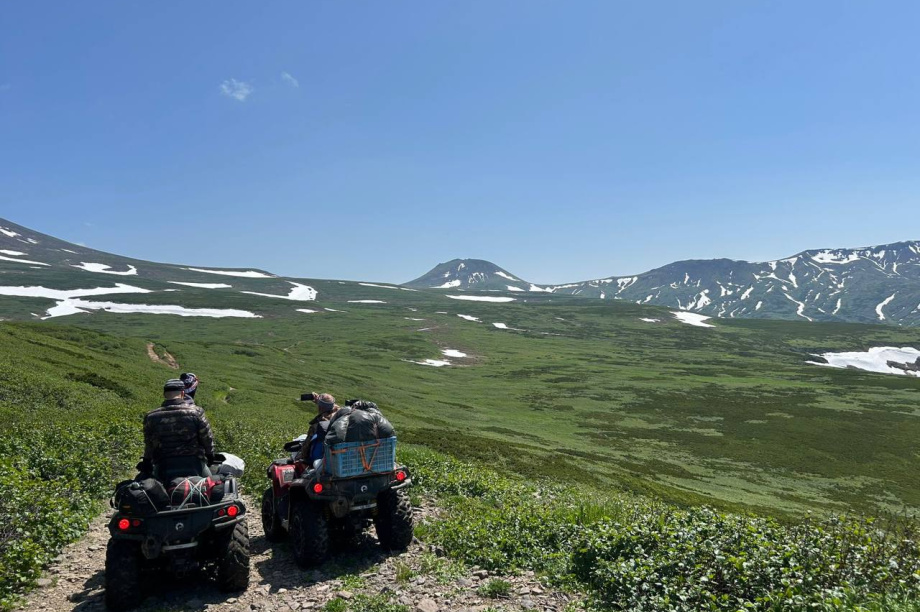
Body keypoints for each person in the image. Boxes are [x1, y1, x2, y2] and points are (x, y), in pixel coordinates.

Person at [141, 378, 215, 481]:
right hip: (194, 462)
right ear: (183, 393)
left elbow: (149, 444)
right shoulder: (197, 412)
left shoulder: (151, 416)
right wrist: (210, 455)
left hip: (163, 464)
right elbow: (207, 438)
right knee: (211, 487)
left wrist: (146, 461)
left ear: (164, 394)